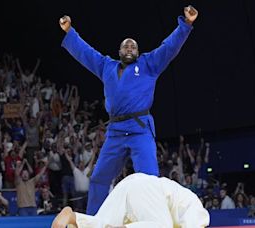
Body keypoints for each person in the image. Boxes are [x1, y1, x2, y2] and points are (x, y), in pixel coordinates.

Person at [59, 5, 198, 215]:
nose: (130, 49)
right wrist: (70, 31)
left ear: (138, 52)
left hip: (140, 128)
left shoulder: (148, 64)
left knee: (149, 180)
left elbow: (169, 47)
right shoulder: (107, 66)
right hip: (115, 131)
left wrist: (186, 24)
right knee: (98, 179)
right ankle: (94, 220)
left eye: (133, 47)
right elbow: (86, 53)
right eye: (126, 47)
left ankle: (155, 220)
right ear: (119, 52)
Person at [52, 173, 209, 228]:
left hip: (124, 190)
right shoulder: (197, 211)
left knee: (101, 224)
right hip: (145, 188)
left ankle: (74, 218)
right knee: (161, 226)